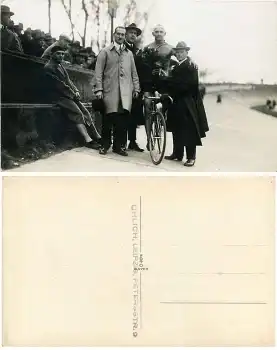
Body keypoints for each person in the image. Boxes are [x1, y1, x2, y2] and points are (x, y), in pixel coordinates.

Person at [44, 45, 102, 149]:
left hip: (67, 95)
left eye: (62, 54)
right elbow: (59, 85)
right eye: (58, 54)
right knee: (77, 113)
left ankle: (97, 136)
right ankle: (88, 140)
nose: (61, 56)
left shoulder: (60, 66)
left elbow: (68, 80)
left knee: (85, 112)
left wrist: (75, 90)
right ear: (52, 54)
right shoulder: (49, 67)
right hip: (58, 97)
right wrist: (73, 94)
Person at [94, 26, 140, 156]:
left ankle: (119, 146)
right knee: (108, 120)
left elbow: (134, 73)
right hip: (109, 91)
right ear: (114, 35)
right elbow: (98, 72)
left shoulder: (129, 54)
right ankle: (104, 145)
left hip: (125, 92)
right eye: (118, 34)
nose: (120, 36)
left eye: (122, 34)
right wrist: (99, 89)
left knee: (122, 121)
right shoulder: (105, 52)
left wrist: (136, 88)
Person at [165, 41, 209, 167]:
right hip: (177, 101)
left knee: (189, 129)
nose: (179, 54)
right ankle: (177, 153)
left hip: (187, 102)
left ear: (186, 53)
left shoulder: (191, 66)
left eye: (181, 52)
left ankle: (191, 157)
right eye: (177, 52)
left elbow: (190, 86)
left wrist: (173, 85)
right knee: (176, 127)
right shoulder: (176, 66)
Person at [141, 25, 174, 149]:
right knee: (147, 107)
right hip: (149, 82)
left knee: (163, 108)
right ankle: (149, 139)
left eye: (161, 32)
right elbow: (142, 64)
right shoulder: (147, 47)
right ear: (153, 33)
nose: (159, 34)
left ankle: (160, 124)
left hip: (163, 83)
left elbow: (181, 58)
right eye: (156, 32)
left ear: (165, 33)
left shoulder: (171, 48)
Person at [124, 23, 144, 152]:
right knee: (122, 114)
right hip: (122, 86)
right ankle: (120, 142)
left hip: (135, 87)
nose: (133, 35)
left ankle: (132, 141)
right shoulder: (121, 47)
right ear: (125, 34)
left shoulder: (136, 50)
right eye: (131, 32)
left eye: (135, 34)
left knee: (133, 115)